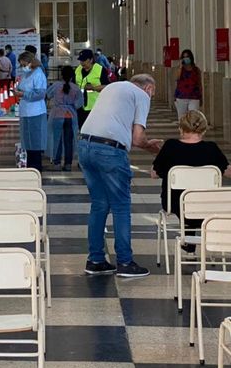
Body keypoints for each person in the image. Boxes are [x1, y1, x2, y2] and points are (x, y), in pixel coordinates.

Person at [79, 74, 163, 278]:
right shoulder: (141, 95)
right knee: (121, 206)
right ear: (149, 88)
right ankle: (125, 262)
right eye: (153, 93)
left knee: (99, 204)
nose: (151, 97)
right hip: (110, 151)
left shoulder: (112, 87)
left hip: (84, 145)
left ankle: (95, 260)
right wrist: (151, 147)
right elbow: (138, 138)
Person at [151, 110, 231, 249]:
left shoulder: (171, 146)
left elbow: (154, 174)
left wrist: (161, 155)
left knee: (184, 199)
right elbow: (228, 172)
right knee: (198, 198)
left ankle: (188, 237)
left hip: (175, 203)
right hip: (206, 203)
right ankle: (194, 237)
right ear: (204, 128)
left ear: (181, 128)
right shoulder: (211, 149)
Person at [14, 51, 48, 172]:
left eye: (24, 64)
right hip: (25, 111)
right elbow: (22, 87)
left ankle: (36, 168)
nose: (23, 67)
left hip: (36, 112)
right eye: (21, 65)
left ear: (31, 62)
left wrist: (23, 94)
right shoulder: (25, 74)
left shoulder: (38, 74)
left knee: (36, 142)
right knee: (27, 141)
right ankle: (29, 167)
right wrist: (18, 91)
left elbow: (40, 94)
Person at [46, 65, 83, 171]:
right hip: (70, 116)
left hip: (57, 115)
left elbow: (48, 95)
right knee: (69, 141)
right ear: (72, 76)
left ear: (61, 75)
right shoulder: (76, 88)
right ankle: (68, 164)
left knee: (56, 139)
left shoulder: (56, 85)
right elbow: (79, 103)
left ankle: (57, 163)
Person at [75, 48, 109, 128]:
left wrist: (93, 88)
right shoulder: (78, 69)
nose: (82, 62)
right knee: (82, 129)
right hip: (80, 106)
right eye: (80, 60)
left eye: (84, 60)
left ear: (91, 60)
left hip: (95, 107)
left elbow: (107, 86)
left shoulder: (100, 70)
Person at [173, 49, 202, 120]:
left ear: (191, 57)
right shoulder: (180, 69)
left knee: (193, 117)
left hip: (194, 96)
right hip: (181, 96)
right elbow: (177, 78)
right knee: (182, 118)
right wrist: (180, 66)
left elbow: (199, 83)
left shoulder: (196, 70)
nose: (186, 58)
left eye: (187, 56)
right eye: (184, 57)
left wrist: (201, 96)